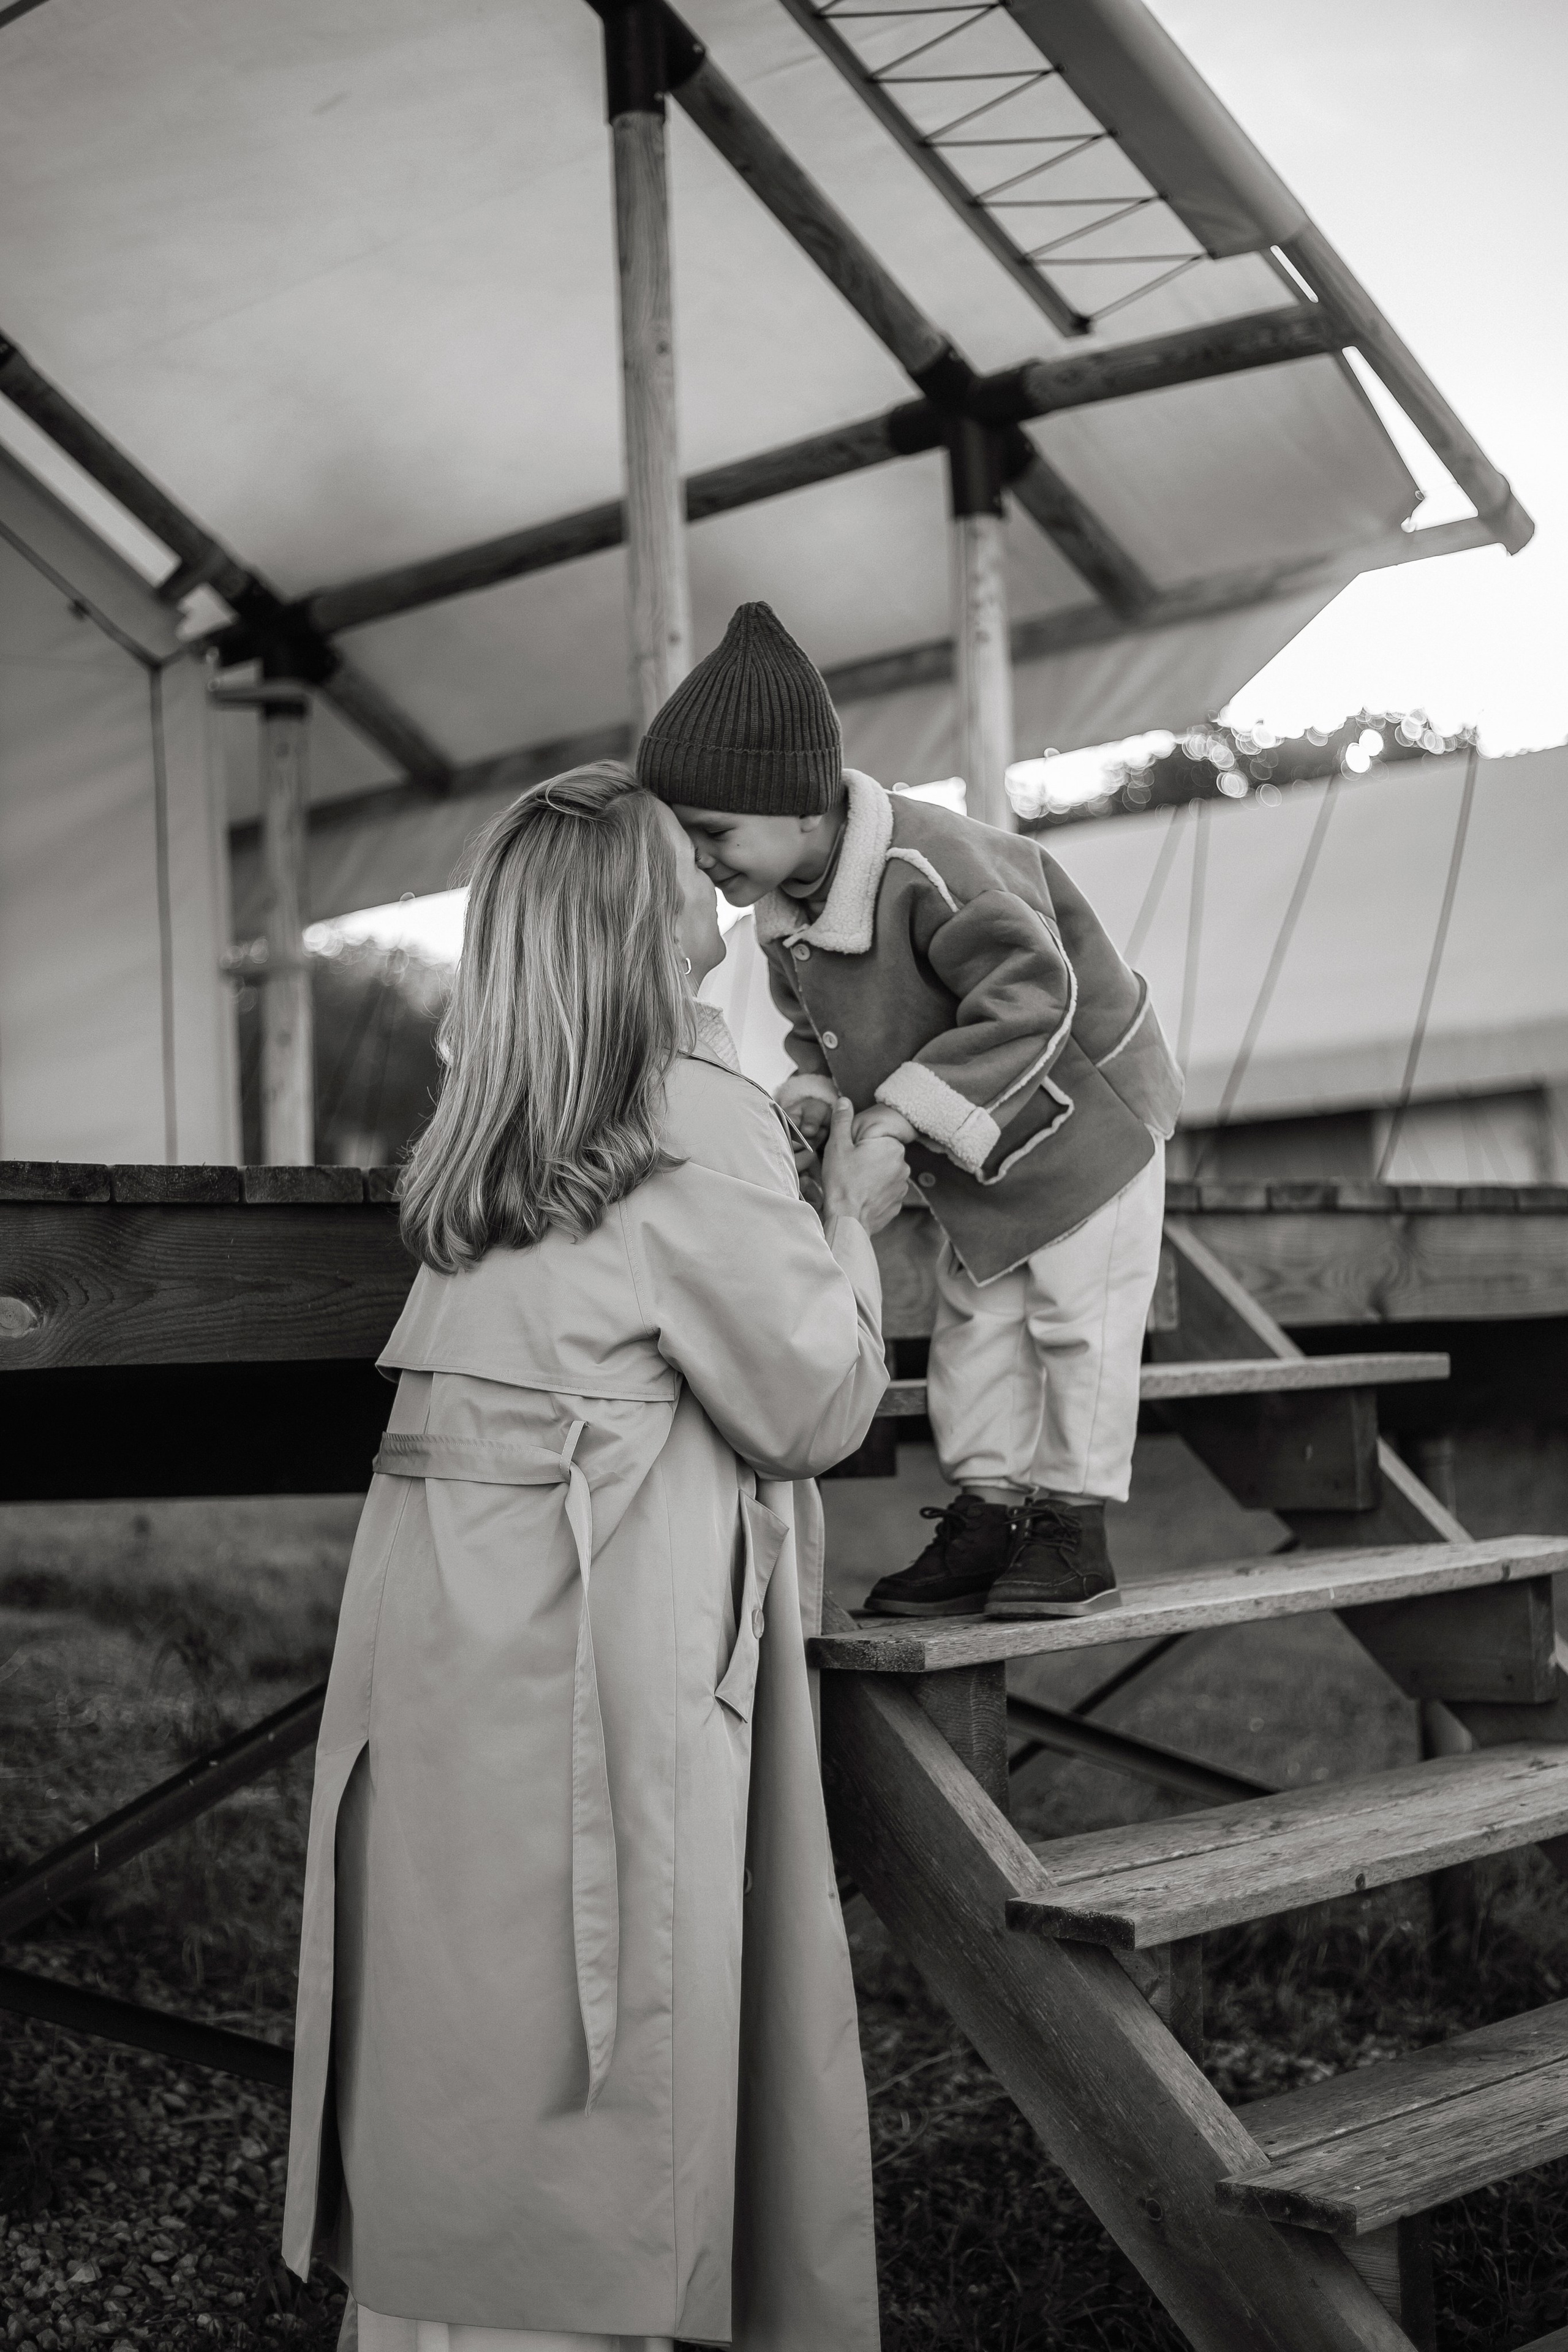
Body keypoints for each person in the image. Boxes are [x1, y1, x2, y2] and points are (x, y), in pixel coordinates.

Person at [282, 761, 907, 2352]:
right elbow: (816, 1396)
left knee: (457, 2047)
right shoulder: (696, 1119)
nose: (713, 890)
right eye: (684, 870)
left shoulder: (493, 1123)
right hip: (590, 1666)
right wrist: (853, 1218)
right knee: (595, 2072)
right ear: (650, 921)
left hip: (440, 1672)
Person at [644, 603, 1184, 1623]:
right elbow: (827, 1033)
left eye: (713, 833)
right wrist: (817, 1097)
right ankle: (989, 1512)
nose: (700, 861)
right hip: (984, 1152)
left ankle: (1073, 1522)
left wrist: (894, 1119)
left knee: (1079, 1322)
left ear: (801, 806)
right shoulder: (787, 914)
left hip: (1090, 1129)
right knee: (976, 1326)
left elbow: (1037, 996)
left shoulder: (931, 866)